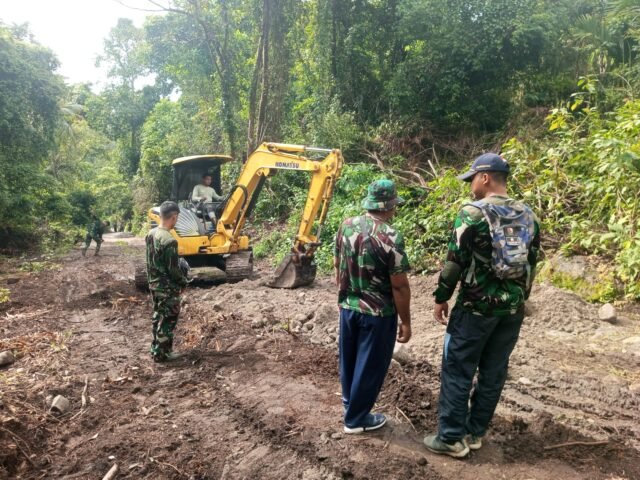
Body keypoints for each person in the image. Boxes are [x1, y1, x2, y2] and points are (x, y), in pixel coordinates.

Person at [424, 153, 540, 458]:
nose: (470, 185)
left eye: (472, 179)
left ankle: (451, 438)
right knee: (493, 372)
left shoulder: (472, 214)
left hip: (475, 309)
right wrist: (520, 299)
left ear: (485, 177)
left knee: (458, 369)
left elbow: (454, 262)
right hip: (511, 311)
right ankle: (475, 433)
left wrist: (441, 297)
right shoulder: (528, 215)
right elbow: (532, 263)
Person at [334, 179, 412, 434]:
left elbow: (338, 264)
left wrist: (342, 296)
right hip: (377, 313)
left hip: (349, 307)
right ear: (390, 206)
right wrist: (406, 321)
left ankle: (350, 405)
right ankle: (356, 420)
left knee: (349, 360)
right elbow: (399, 286)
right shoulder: (391, 236)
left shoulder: (346, 226)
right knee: (370, 366)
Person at [145, 201, 189, 362]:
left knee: (158, 316)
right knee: (168, 319)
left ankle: (156, 349)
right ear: (174, 217)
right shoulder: (169, 240)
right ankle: (162, 354)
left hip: (154, 284)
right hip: (167, 287)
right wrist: (183, 282)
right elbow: (173, 270)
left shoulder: (151, 234)